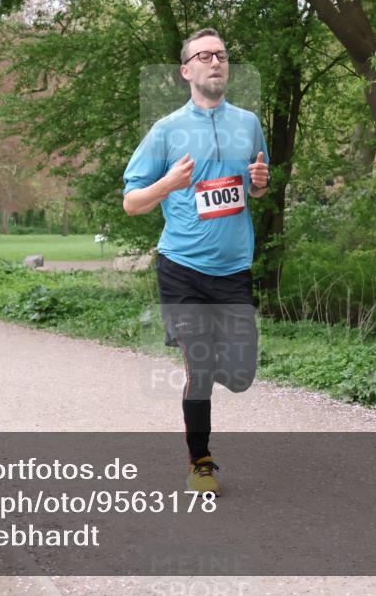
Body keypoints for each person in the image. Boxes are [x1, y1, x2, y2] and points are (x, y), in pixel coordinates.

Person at [122, 29, 270, 495]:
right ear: (186, 71)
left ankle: (219, 370)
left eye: (222, 55)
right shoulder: (166, 130)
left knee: (242, 376)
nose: (216, 62)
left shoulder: (247, 123)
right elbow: (132, 202)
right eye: (205, 56)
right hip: (182, 268)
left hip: (233, 271)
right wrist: (168, 183)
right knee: (200, 369)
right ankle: (200, 461)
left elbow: (254, 188)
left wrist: (260, 183)